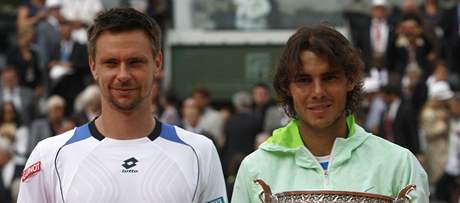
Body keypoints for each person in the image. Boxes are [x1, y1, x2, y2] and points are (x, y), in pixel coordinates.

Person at [17, 8, 227, 203]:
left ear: (157, 63)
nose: (123, 75)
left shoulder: (200, 153)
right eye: (111, 63)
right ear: (93, 66)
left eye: (135, 62)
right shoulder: (49, 156)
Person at [231, 25, 429, 202]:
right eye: (304, 80)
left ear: (350, 80)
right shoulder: (256, 169)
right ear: (287, 87)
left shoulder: (398, 164)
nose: (317, 92)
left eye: (329, 78)